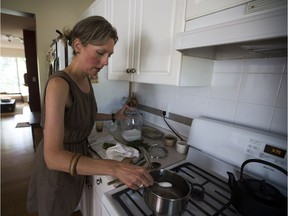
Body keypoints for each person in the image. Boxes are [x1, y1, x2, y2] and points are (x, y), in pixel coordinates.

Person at [27, 16, 154, 216]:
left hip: (78, 155)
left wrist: (114, 116)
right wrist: (114, 168)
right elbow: (52, 157)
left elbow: (84, 114)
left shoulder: (85, 79)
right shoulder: (59, 85)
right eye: (100, 53)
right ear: (78, 45)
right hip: (58, 167)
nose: (105, 62)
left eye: (109, 55)